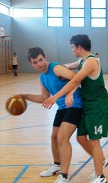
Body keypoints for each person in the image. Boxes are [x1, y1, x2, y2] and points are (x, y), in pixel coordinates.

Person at [42, 34, 108, 183]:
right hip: (88, 105)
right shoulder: (82, 61)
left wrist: (56, 96)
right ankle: (101, 160)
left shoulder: (91, 62)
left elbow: (74, 80)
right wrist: (53, 67)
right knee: (81, 138)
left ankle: (100, 176)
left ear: (79, 47)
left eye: (73, 47)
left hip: (98, 105)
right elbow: (67, 66)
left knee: (94, 141)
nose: (72, 50)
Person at [20, 47, 83, 183]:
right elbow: (44, 98)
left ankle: (64, 175)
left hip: (75, 104)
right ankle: (57, 165)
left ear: (45, 57)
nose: (39, 64)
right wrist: (24, 96)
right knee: (54, 137)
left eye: (40, 60)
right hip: (62, 107)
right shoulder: (43, 77)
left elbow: (77, 78)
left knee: (62, 137)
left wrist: (71, 93)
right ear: (31, 64)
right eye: (35, 62)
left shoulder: (56, 68)